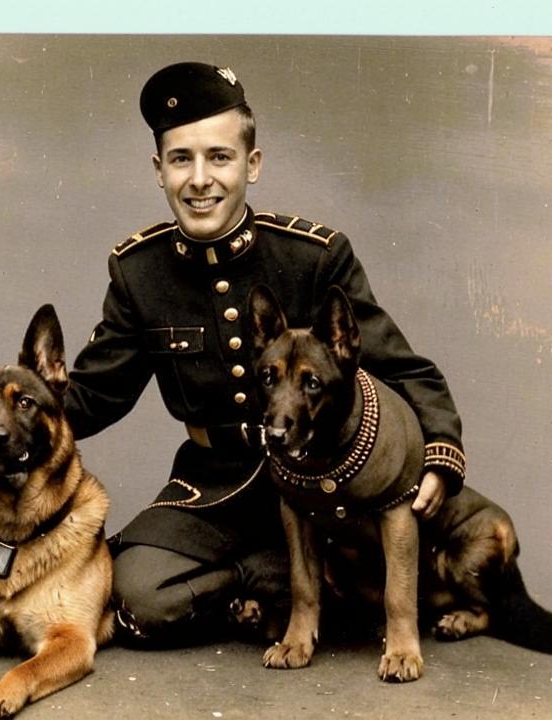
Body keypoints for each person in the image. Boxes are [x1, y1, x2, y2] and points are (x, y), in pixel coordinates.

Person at [60, 61, 467, 646]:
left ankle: (290, 590)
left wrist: (440, 452)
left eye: (219, 157)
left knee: (368, 583)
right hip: (215, 488)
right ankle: (253, 584)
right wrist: (14, 413)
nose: (200, 179)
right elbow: (95, 395)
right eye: (182, 159)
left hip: (319, 486)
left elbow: (402, 368)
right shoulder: (138, 272)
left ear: (252, 165)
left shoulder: (314, 256)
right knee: (137, 598)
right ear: (159, 171)